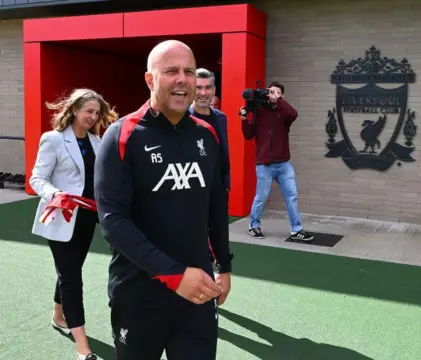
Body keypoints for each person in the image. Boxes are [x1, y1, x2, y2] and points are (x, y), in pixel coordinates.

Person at [93, 40, 233, 360]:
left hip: (196, 296)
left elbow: (215, 205)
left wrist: (223, 265)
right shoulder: (121, 136)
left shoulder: (206, 135)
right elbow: (113, 221)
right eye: (171, 71)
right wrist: (174, 274)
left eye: (188, 71)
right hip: (138, 297)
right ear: (150, 79)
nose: (182, 79)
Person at [29, 88, 118, 360]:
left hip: (88, 217)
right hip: (60, 217)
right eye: (88, 111)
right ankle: (83, 346)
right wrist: (55, 194)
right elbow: (36, 178)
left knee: (70, 269)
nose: (92, 117)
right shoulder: (53, 140)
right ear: (74, 109)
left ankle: (58, 316)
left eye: (96, 112)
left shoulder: (98, 142)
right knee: (71, 277)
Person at [240, 82, 314, 241]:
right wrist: (244, 118)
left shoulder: (284, 114)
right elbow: (248, 135)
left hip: (283, 164)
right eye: (271, 91)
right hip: (264, 164)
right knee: (261, 196)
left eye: (277, 92)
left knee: (292, 195)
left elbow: (294, 114)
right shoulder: (260, 111)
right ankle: (254, 225)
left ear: (281, 96)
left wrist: (278, 100)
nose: (273, 94)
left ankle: (296, 229)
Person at [189, 68, 230, 191]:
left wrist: (226, 184)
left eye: (207, 87)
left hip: (218, 189)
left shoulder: (221, 118)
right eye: (198, 87)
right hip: (192, 189)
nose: (203, 93)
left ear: (214, 90)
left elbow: (224, 153)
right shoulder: (182, 118)